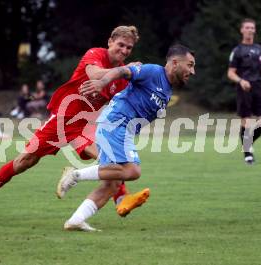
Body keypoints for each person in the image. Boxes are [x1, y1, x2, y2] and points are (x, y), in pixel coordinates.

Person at [0, 25, 149, 223]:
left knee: (110, 159)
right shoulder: (95, 54)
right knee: (24, 162)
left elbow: (131, 96)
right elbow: (95, 74)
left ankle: (121, 199)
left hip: (87, 125)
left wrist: (140, 77)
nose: (124, 51)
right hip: (63, 120)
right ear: (110, 42)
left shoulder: (122, 79)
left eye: (129, 48)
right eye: (121, 45)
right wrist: (124, 70)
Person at [57, 44, 196, 231]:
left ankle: (75, 220)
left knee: (111, 185)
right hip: (116, 123)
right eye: (190, 65)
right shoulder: (153, 72)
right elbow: (123, 70)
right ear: (175, 62)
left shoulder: (168, 88)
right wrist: (102, 83)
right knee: (132, 171)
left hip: (122, 129)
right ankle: (75, 175)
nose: (192, 71)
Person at [227, 18, 261, 165]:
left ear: (255, 30)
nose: (250, 30)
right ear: (242, 30)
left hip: (258, 88)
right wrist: (241, 81)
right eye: (247, 27)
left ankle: (246, 144)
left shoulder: (259, 49)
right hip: (244, 88)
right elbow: (230, 73)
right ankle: (248, 154)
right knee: (246, 121)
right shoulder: (237, 51)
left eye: (252, 28)